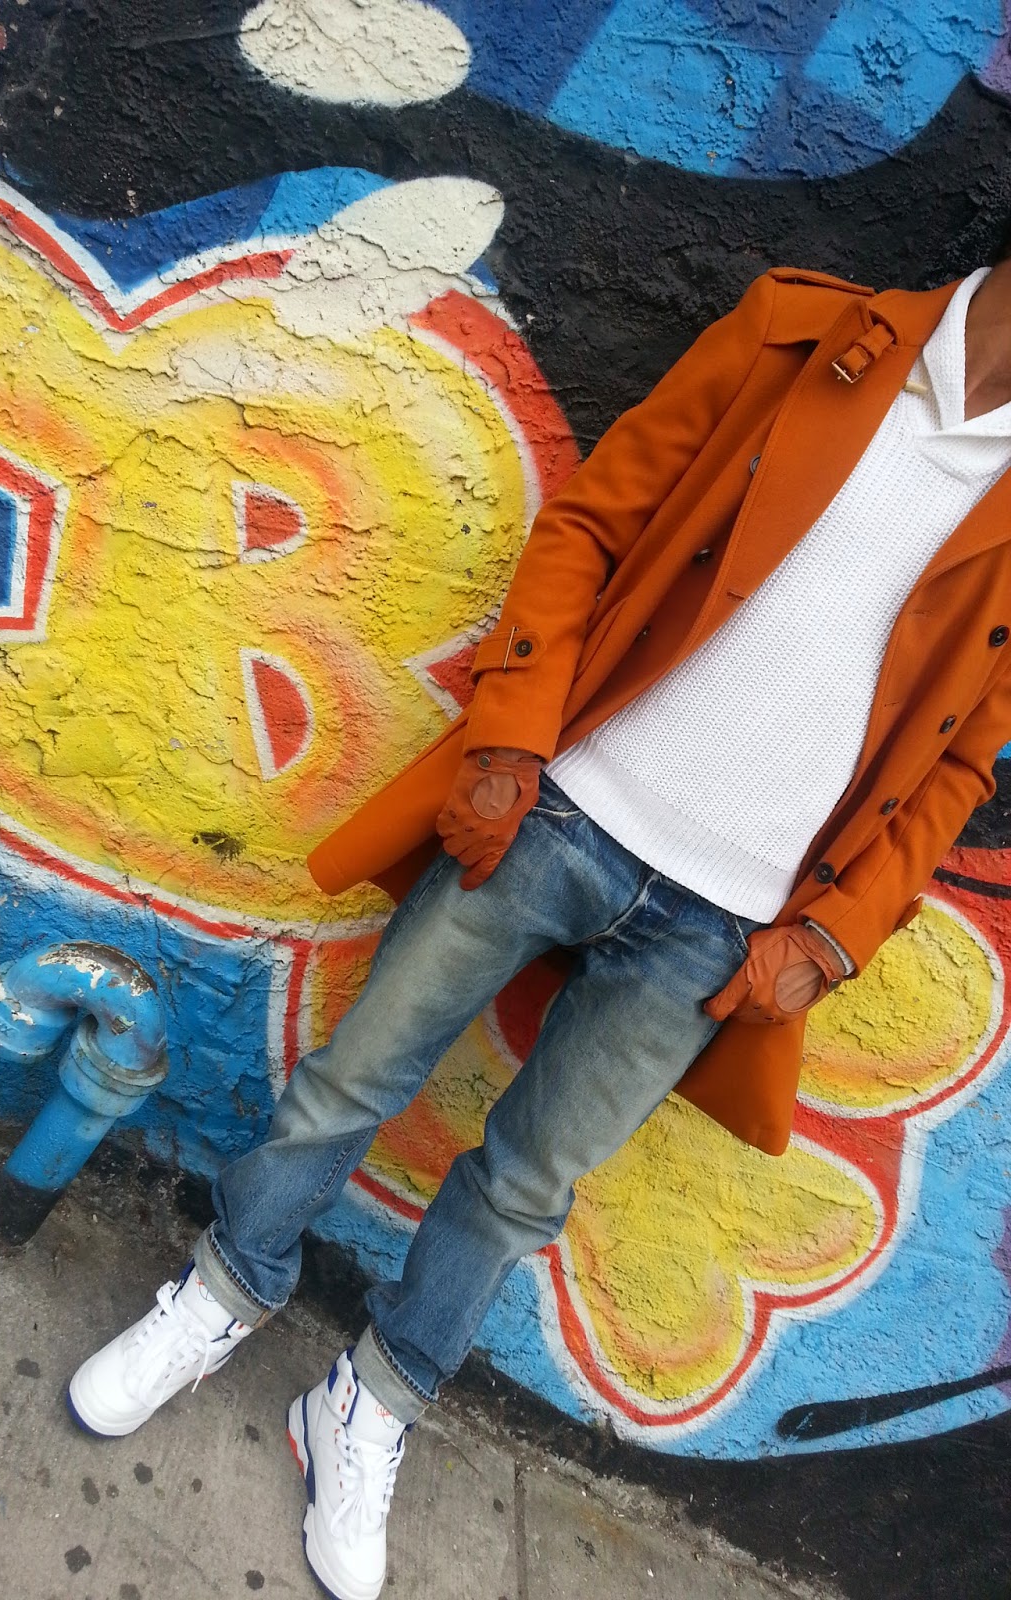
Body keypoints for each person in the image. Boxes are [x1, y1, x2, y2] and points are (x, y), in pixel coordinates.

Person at [68, 257, 1011, 1600]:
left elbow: (963, 761)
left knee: (523, 1187)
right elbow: (592, 524)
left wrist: (837, 937)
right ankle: (223, 1290)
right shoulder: (806, 337)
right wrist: (510, 738)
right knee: (355, 1077)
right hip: (566, 807)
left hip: (725, 930)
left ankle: (369, 1401)